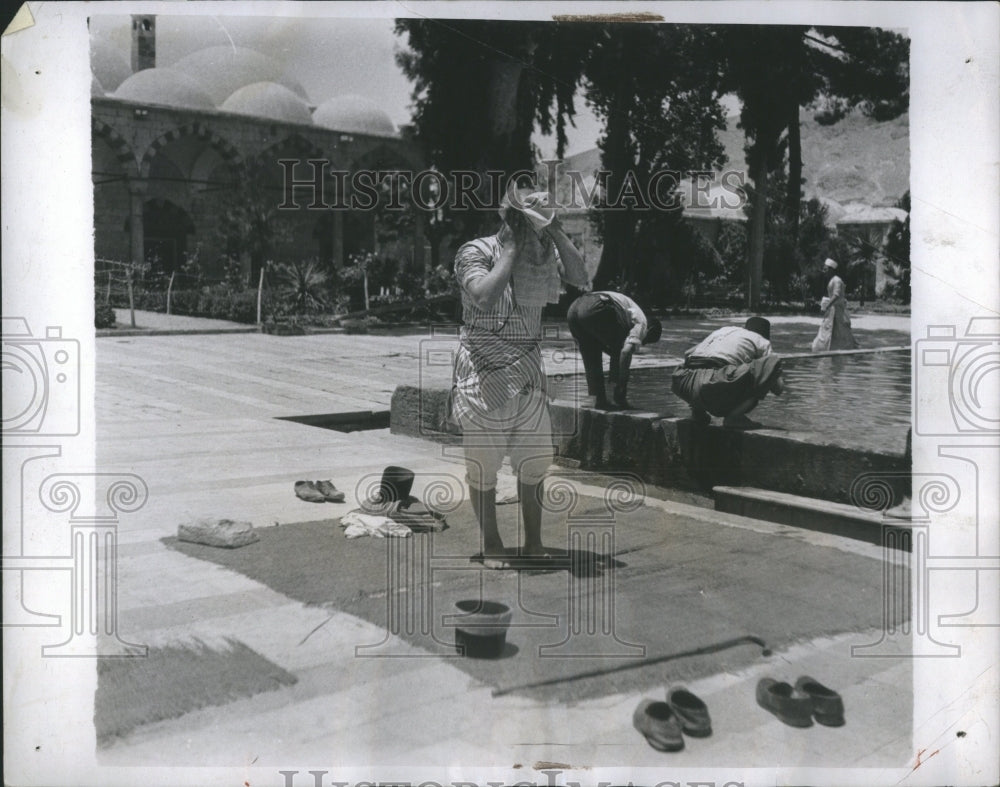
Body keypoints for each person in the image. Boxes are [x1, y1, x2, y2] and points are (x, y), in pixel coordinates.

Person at [450, 188, 590, 568]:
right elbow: (482, 296)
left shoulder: (543, 255)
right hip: (482, 368)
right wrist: (511, 250)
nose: (539, 235)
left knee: (534, 463)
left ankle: (533, 541)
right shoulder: (475, 251)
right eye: (534, 225)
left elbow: (581, 277)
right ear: (512, 222)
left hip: (526, 367)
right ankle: (492, 542)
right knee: (483, 466)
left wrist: (557, 232)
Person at [670, 317, 784, 429]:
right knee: (770, 364)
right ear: (765, 335)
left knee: (703, 366)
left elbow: (687, 353)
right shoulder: (762, 341)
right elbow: (778, 389)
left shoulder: (725, 330)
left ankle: (698, 413)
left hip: (683, 382)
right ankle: (734, 417)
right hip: (712, 384)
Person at [567, 291, 662, 410]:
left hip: (573, 309)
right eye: (646, 340)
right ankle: (619, 396)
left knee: (591, 352)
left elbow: (610, 348)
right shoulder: (643, 322)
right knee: (622, 348)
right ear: (650, 329)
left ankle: (599, 400)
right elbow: (625, 352)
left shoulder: (629, 312)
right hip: (595, 306)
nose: (641, 343)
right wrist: (622, 381)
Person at [811, 258, 858, 352]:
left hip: (838, 310)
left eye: (826, 269)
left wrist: (826, 306)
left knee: (840, 329)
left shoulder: (837, 280)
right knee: (828, 328)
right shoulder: (832, 280)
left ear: (831, 269)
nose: (825, 271)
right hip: (833, 309)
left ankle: (843, 347)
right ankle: (825, 346)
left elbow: (836, 295)